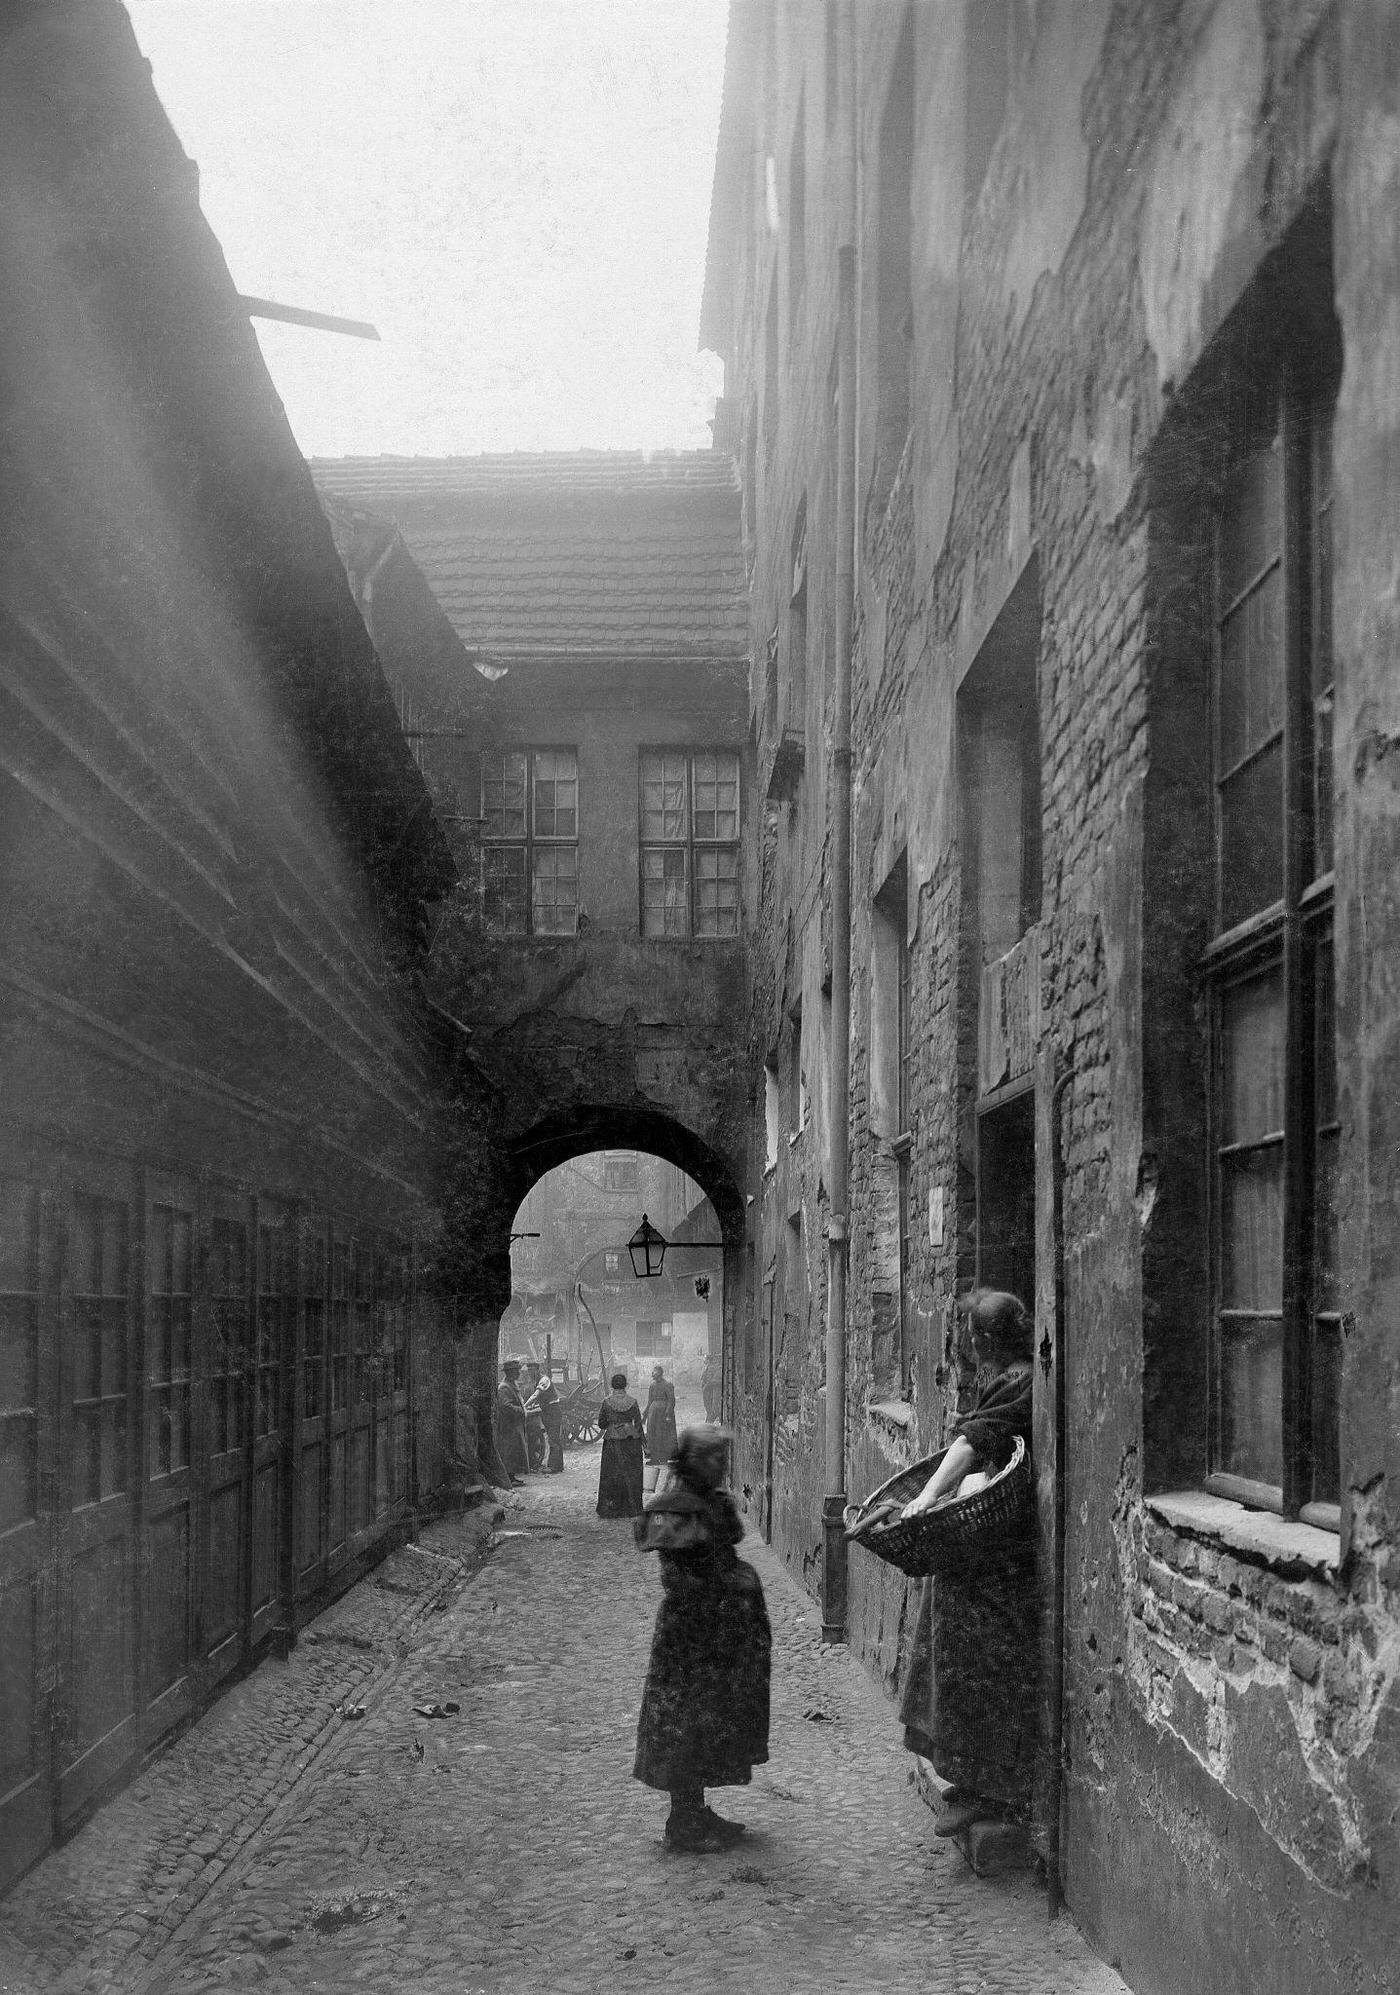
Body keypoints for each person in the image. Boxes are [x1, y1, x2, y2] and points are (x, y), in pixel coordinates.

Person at [894, 1288, 1037, 1839]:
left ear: (983, 1341)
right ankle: (971, 1779)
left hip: (1002, 1554)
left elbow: (973, 1442)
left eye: (972, 1338)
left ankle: (991, 1790)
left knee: (977, 1662)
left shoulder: (1019, 1381)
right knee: (954, 1643)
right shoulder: (1012, 1378)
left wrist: (927, 1497)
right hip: (989, 1544)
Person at [633, 1429, 771, 1852]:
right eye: (712, 1458)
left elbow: (730, 1540)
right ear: (690, 1461)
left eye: (723, 1458)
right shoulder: (673, 1509)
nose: (721, 1466)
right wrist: (721, 1590)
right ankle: (683, 1820)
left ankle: (696, 1810)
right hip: (691, 1636)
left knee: (715, 1717)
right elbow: (677, 1578)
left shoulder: (716, 1502)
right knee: (687, 1721)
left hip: (724, 1631)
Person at [596, 1371, 645, 1517]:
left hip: (612, 1441)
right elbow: (638, 1425)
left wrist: (612, 1422)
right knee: (631, 1473)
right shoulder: (633, 1402)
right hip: (631, 1441)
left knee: (611, 1474)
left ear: (612, 1386)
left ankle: (611, 1508)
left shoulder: (607, 1402)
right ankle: (632, 1508)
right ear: (626, 1385)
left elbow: (601, 1424)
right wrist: (644, 1445)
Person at [526, 1362, 565, 1474]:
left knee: (553, 1439)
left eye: (532, 1370)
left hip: (552, 1411)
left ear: (538, 1370)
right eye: (529, 1371)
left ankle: (554, 1467)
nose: (530, 1373)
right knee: (553, 1438)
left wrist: (524, 1406)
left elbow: (536, 1395)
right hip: (547, 1411)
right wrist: (533, 1405)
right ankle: (558, 1465)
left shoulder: (544, 1380)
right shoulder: (537, 1381)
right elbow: (540, 1398)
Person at [495, 1360, 529, 1486]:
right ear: (510, 1373)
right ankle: (509, 1477)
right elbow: (505, 1406)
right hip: (508, 1425)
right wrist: (521, 1410)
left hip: (513, 1424)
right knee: (509, 1451)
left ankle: (512, 1476)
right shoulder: (504, 1387)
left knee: (514, 1450)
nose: (519, 1373)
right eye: (516, 1371)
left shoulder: (511, 1385)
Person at [644, 1363, 678, 1466]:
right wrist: (645, 1414)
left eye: (654, 1372)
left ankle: (664, 1457)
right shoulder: (652, 1386)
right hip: (653, 1412)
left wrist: (668, 1414)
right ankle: (654, 1457)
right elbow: (650, 1401)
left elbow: (671, 1400)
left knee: (663, 1433)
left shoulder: (668, 1385)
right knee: (652, 1433)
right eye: (653, 1372)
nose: (652, 1374)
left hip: (663, 1413)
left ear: (660, 1373)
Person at [700, 1353, 721, 1424]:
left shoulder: (711, 1368)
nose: (704, 1360)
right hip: (708, 1389)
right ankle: (709, 1421)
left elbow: (709, 1380)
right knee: (709, 1407)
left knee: (709, 1406)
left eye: (705, 1358)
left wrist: (704, 1387)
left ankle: (709, 1422)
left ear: (708, 1360)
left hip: (708, 1390)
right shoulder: (708, 1367)